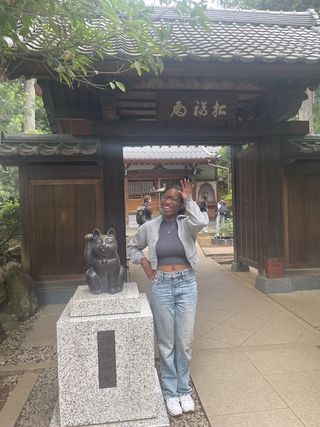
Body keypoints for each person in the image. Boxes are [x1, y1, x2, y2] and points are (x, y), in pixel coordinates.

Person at [127, 179, 208, 417]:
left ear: (181, 204)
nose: (168, 201)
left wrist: (189, 198)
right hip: (161, 285)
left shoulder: (187, 225)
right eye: (166, 198)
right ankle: (171, 393)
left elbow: (202, 220)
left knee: (184, 341)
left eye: (174, 198)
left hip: (186, 284)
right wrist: (143, 262)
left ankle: (184, 390)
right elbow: (133, 246)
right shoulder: (150, 227)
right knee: (166, 342)